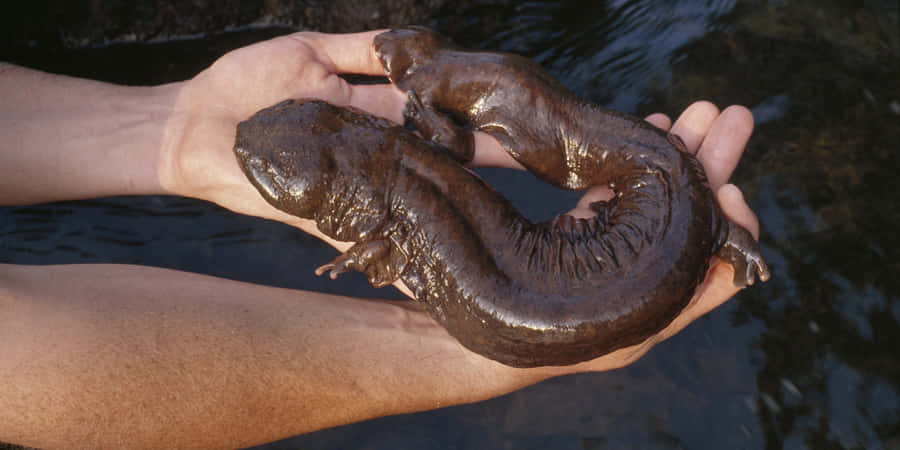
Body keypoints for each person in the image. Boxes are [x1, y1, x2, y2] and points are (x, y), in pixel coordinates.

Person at [0, 30, 762, 448]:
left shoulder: (404, 186)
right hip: (645, 222)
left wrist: (165, 128)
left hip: (643, 226)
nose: (248, 144)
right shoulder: (409, 163)